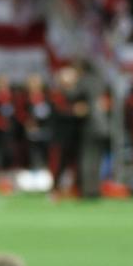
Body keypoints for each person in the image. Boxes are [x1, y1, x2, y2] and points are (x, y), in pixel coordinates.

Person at [48, 64, 91, 199]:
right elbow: (59, 110)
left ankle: (77, 191)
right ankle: (55, 191)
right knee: (59, 164)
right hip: (60, 136)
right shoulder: (57, 93)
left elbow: (85, 109)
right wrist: (74, 110)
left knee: (78, 164)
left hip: (77, 134)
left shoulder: (80, 93)